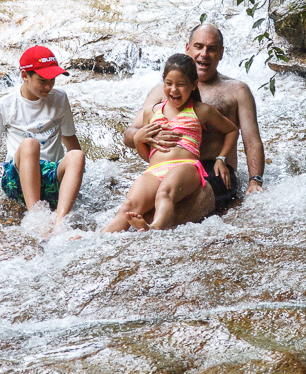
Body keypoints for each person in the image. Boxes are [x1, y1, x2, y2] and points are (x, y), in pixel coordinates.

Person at [123, 23, 265, 213]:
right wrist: (144, 135)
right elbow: (129, 135)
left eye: (211, 49)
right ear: (187, 48)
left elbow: (252, 141)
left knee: (179, 205)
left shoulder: (237, 91)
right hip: (169, 169)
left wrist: (255, 181)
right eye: (198, 47)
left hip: (215, 171)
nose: (204, 54)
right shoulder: (163, 91)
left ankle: (156, 227)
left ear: (221, 53)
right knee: (138, 205)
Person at [103, 54, 238, 233]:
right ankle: (99, 238)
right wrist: (138, 140)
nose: (174, 90)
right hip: (154, 170)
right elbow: (147, 156)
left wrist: (221, 158)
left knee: (164, 193)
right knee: (129, 205)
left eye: (181, 84)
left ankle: (154, 227)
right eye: (169, 83)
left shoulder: (201, 110)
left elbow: (232, 130)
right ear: (163, 82)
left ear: (193, 85)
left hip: (185, 166)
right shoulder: (151, 112)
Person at [0, 45, 86, 229]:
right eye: (42, 81)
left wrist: (77, 174)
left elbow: (70, 138)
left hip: (51, 177)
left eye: (52, 80)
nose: (48, 86)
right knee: (29, 145)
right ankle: (37, 218)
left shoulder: (60, 98)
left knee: (77, 155)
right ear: (25, 76)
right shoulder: (5, 105)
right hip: (17, 178)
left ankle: (60, 223)